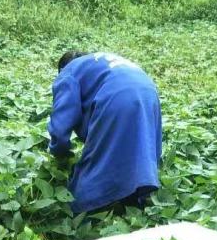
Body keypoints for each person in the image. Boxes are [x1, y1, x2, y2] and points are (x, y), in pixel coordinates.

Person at [47, 50, 162, 216]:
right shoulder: (98, 63)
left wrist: (60, 153)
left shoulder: (68, 72)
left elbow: (61, 124)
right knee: (139, 148)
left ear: (62, 68)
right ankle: (134, 200)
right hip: (149, 93)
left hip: (117, 97)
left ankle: (84, 212)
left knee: (98, 162)